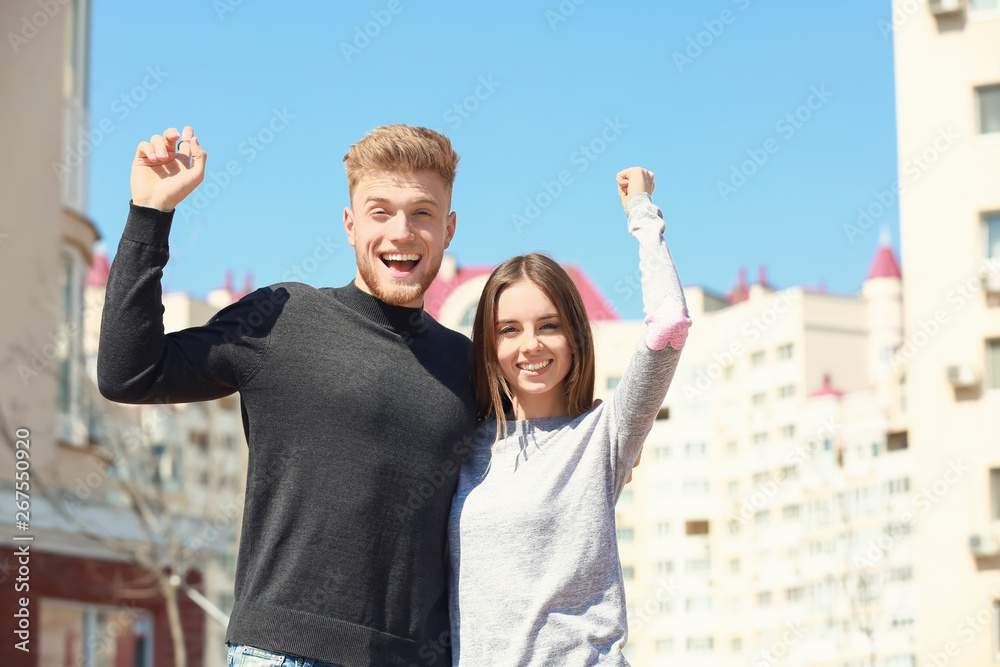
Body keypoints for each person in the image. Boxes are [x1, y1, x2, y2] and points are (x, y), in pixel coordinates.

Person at [98, 124, 479, 666]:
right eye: (380, 212)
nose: (402, 231)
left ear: (449, 228)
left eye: (422, 212)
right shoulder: (282, 318)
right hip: (281, 653)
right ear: (350, 225)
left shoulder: (467, 366)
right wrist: (150, 214)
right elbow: (128, 373)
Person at [447, 167, 691, 665]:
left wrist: (642, 212)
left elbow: (669, 323)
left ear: (576, 337)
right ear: (490, 346)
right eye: (509, 329)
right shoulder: (461, 442)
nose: (530, 345)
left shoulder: (605, 435)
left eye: (549, 325)